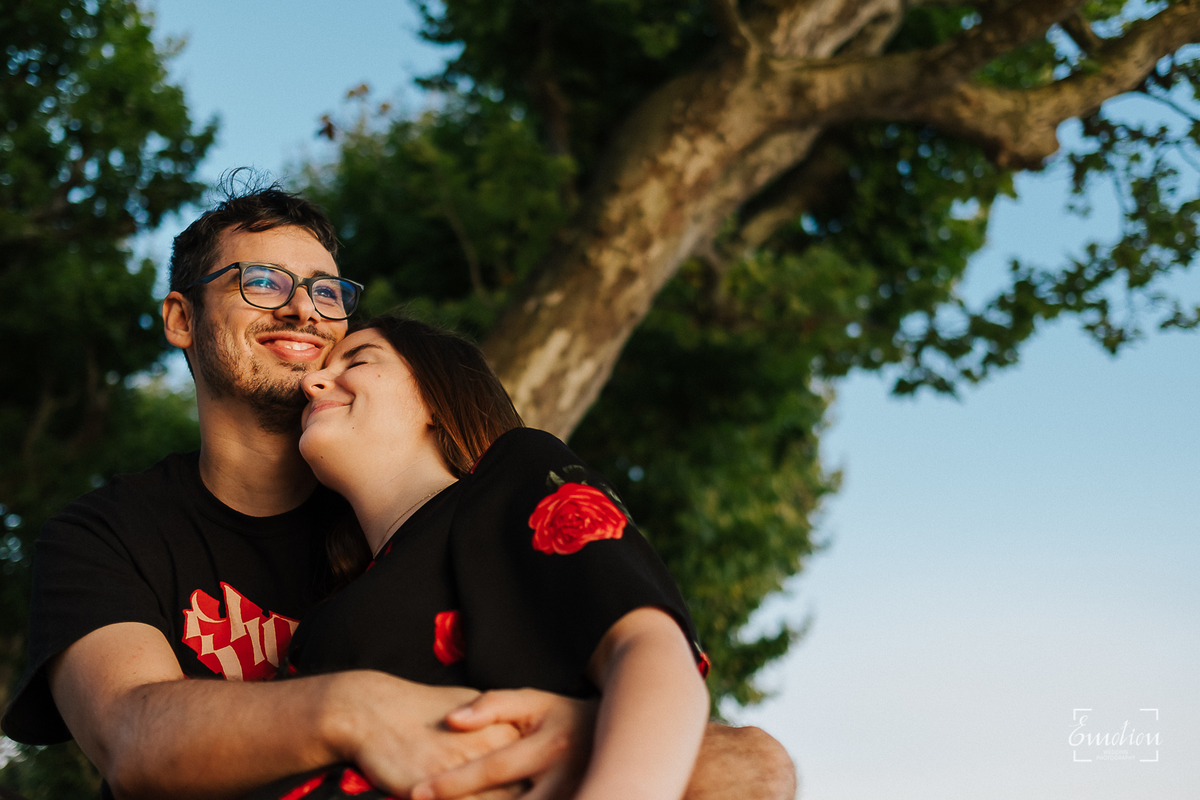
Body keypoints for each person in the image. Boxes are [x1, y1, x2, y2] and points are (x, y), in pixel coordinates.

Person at [1, 184, 796, 800]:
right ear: (180, 317)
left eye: (328, 290)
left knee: (751, 764)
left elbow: (714, 734)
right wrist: (358, 709)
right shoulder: (106, 534)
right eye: (262, 280)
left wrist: (584, 730)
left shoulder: (446, 517)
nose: (303, 307)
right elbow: (134, 738)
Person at [248, 316, 710, 800]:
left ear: (435, 395)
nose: (312, 381)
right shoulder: (326, 607)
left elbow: (650, 651)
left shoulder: (511, 476)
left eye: (358, 360)